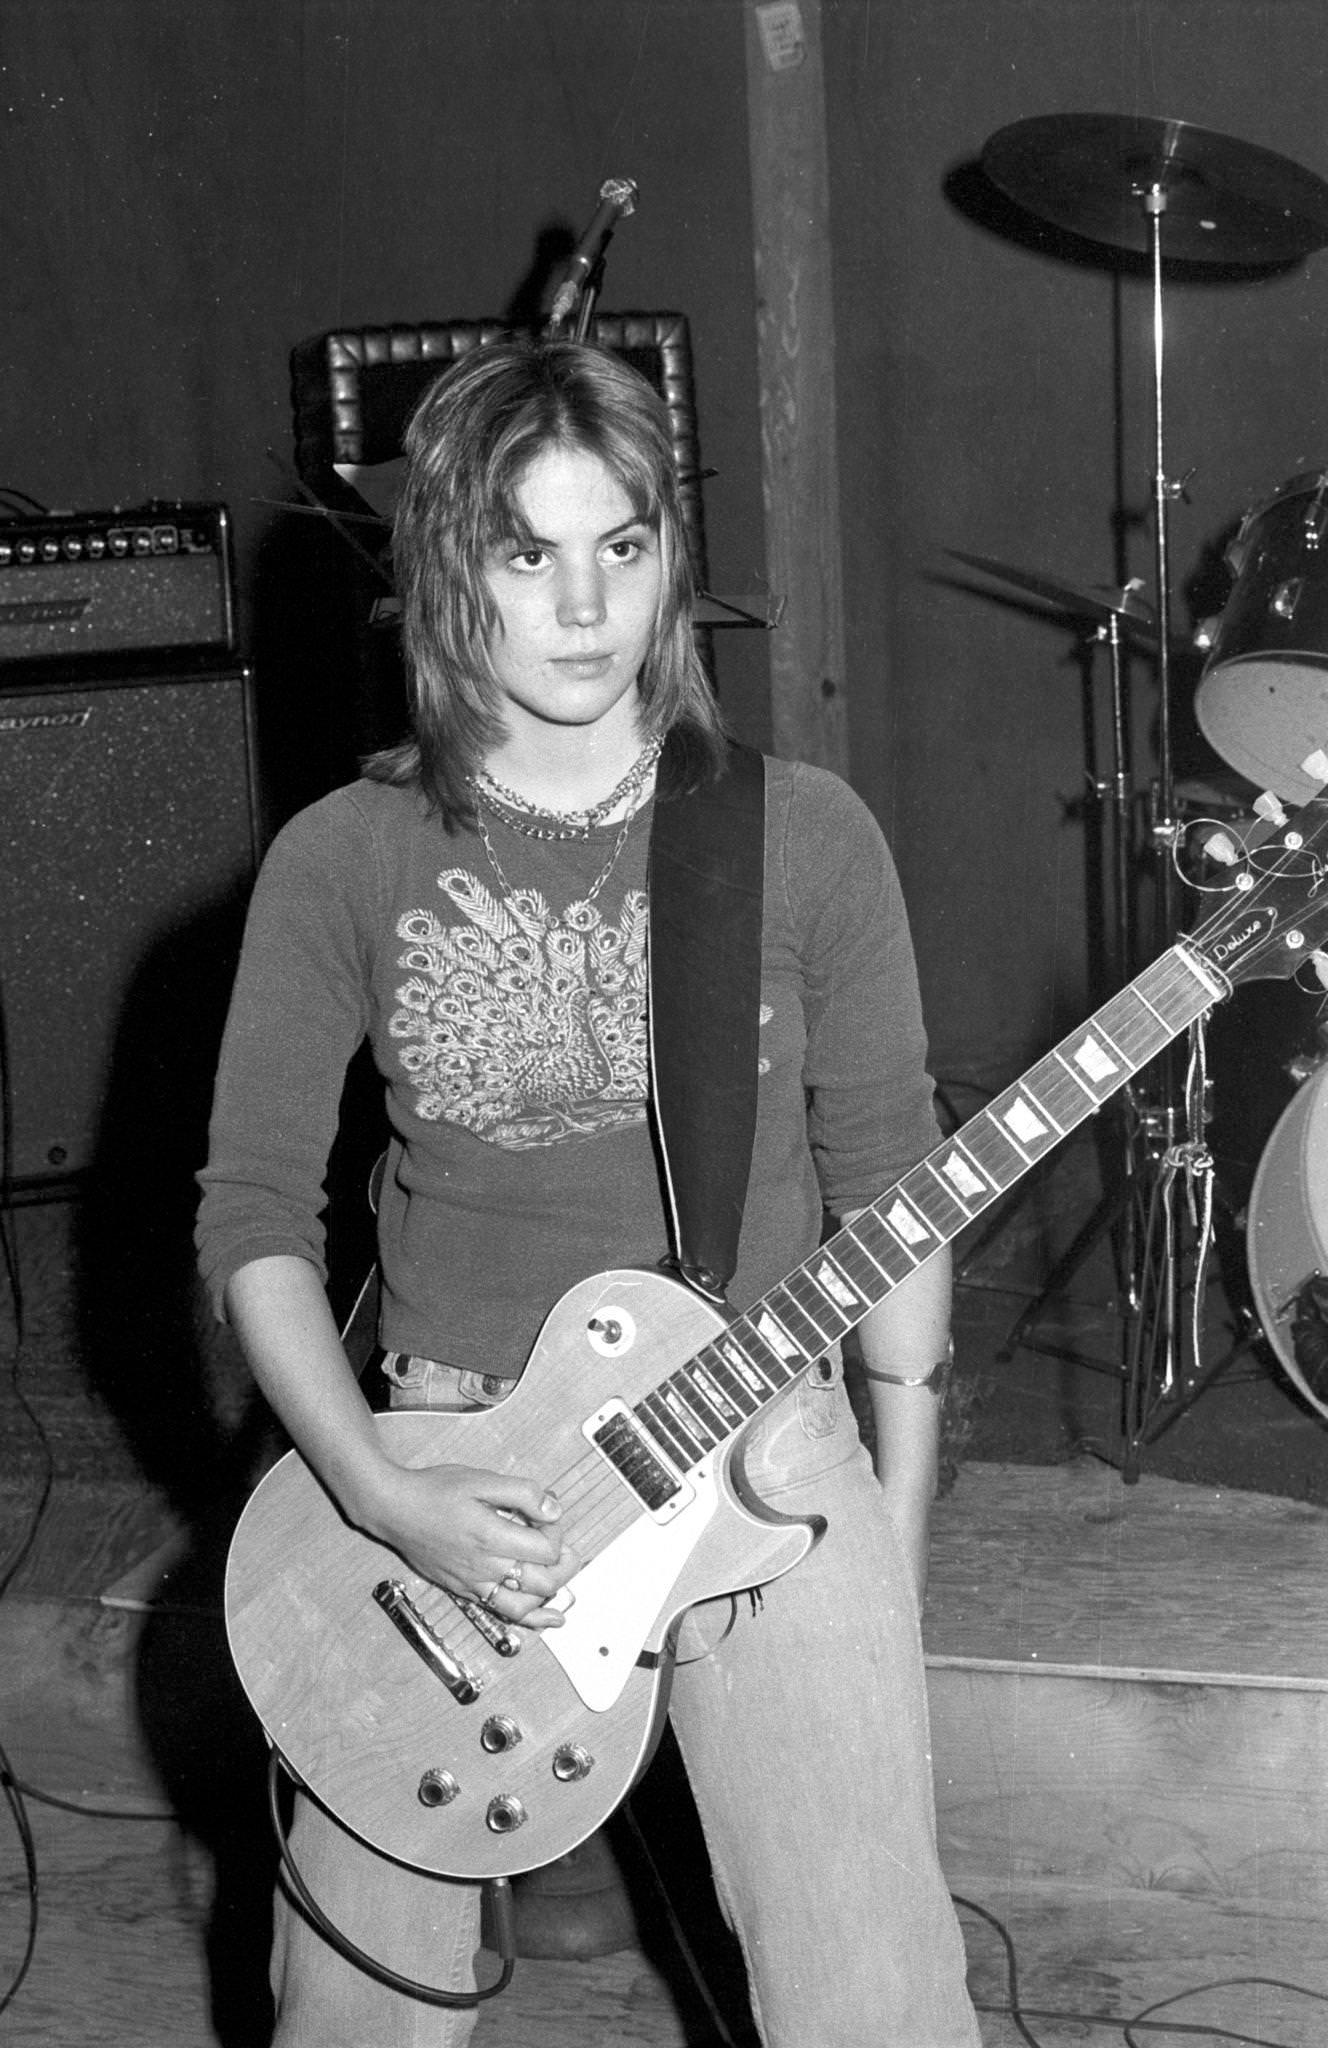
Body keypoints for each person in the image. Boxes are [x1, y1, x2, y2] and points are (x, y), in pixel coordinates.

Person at [196, 336, 980, 2048]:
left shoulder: (803, 833)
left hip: (763, 1454)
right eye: (524, 552)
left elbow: (890, 1172)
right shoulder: (346, 856)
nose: (581, 605)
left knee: (878, 1999)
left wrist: (896, 1507)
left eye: (621, 548)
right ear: (443, 570)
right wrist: (384, 1495)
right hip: (439, 1473)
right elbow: (252, 1215)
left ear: (667, 564)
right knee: (355, 2016)